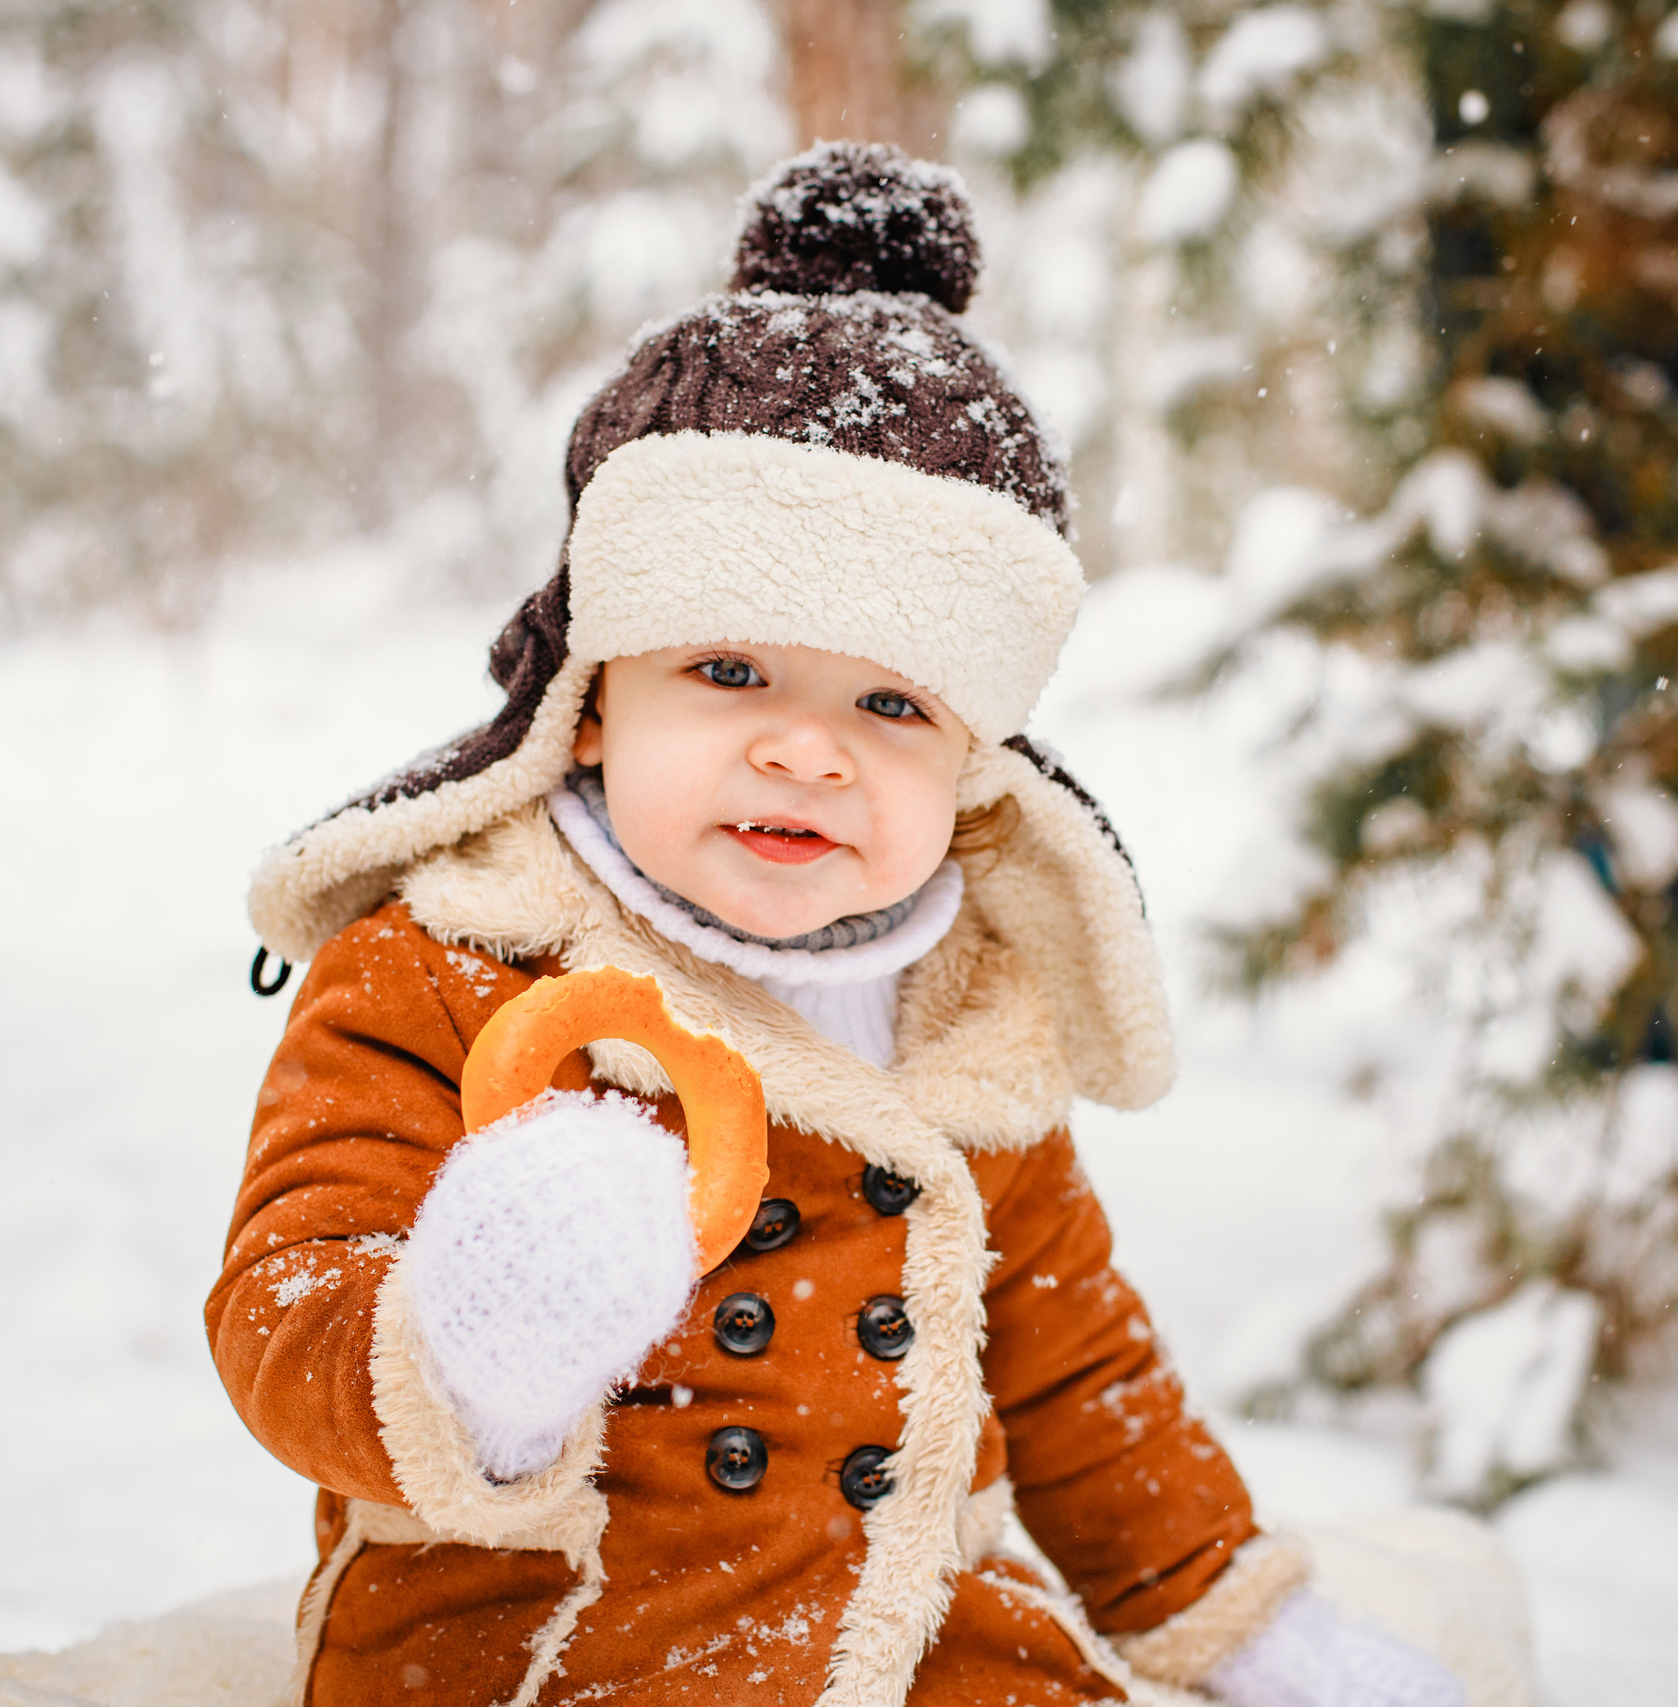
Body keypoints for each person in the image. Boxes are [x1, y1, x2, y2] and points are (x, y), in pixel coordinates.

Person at [212, 143, 1525, 1707]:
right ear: (585, 704)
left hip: (916, 1632)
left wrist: (1246, 1626)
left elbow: (1080, 1372)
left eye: (890, 701)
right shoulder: (449, 962)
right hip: (543, 1636)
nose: (806, 749)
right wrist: (468, 1348)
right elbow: (283, 1290)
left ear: (972, 769)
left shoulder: (967, 1015)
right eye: (730, 673)